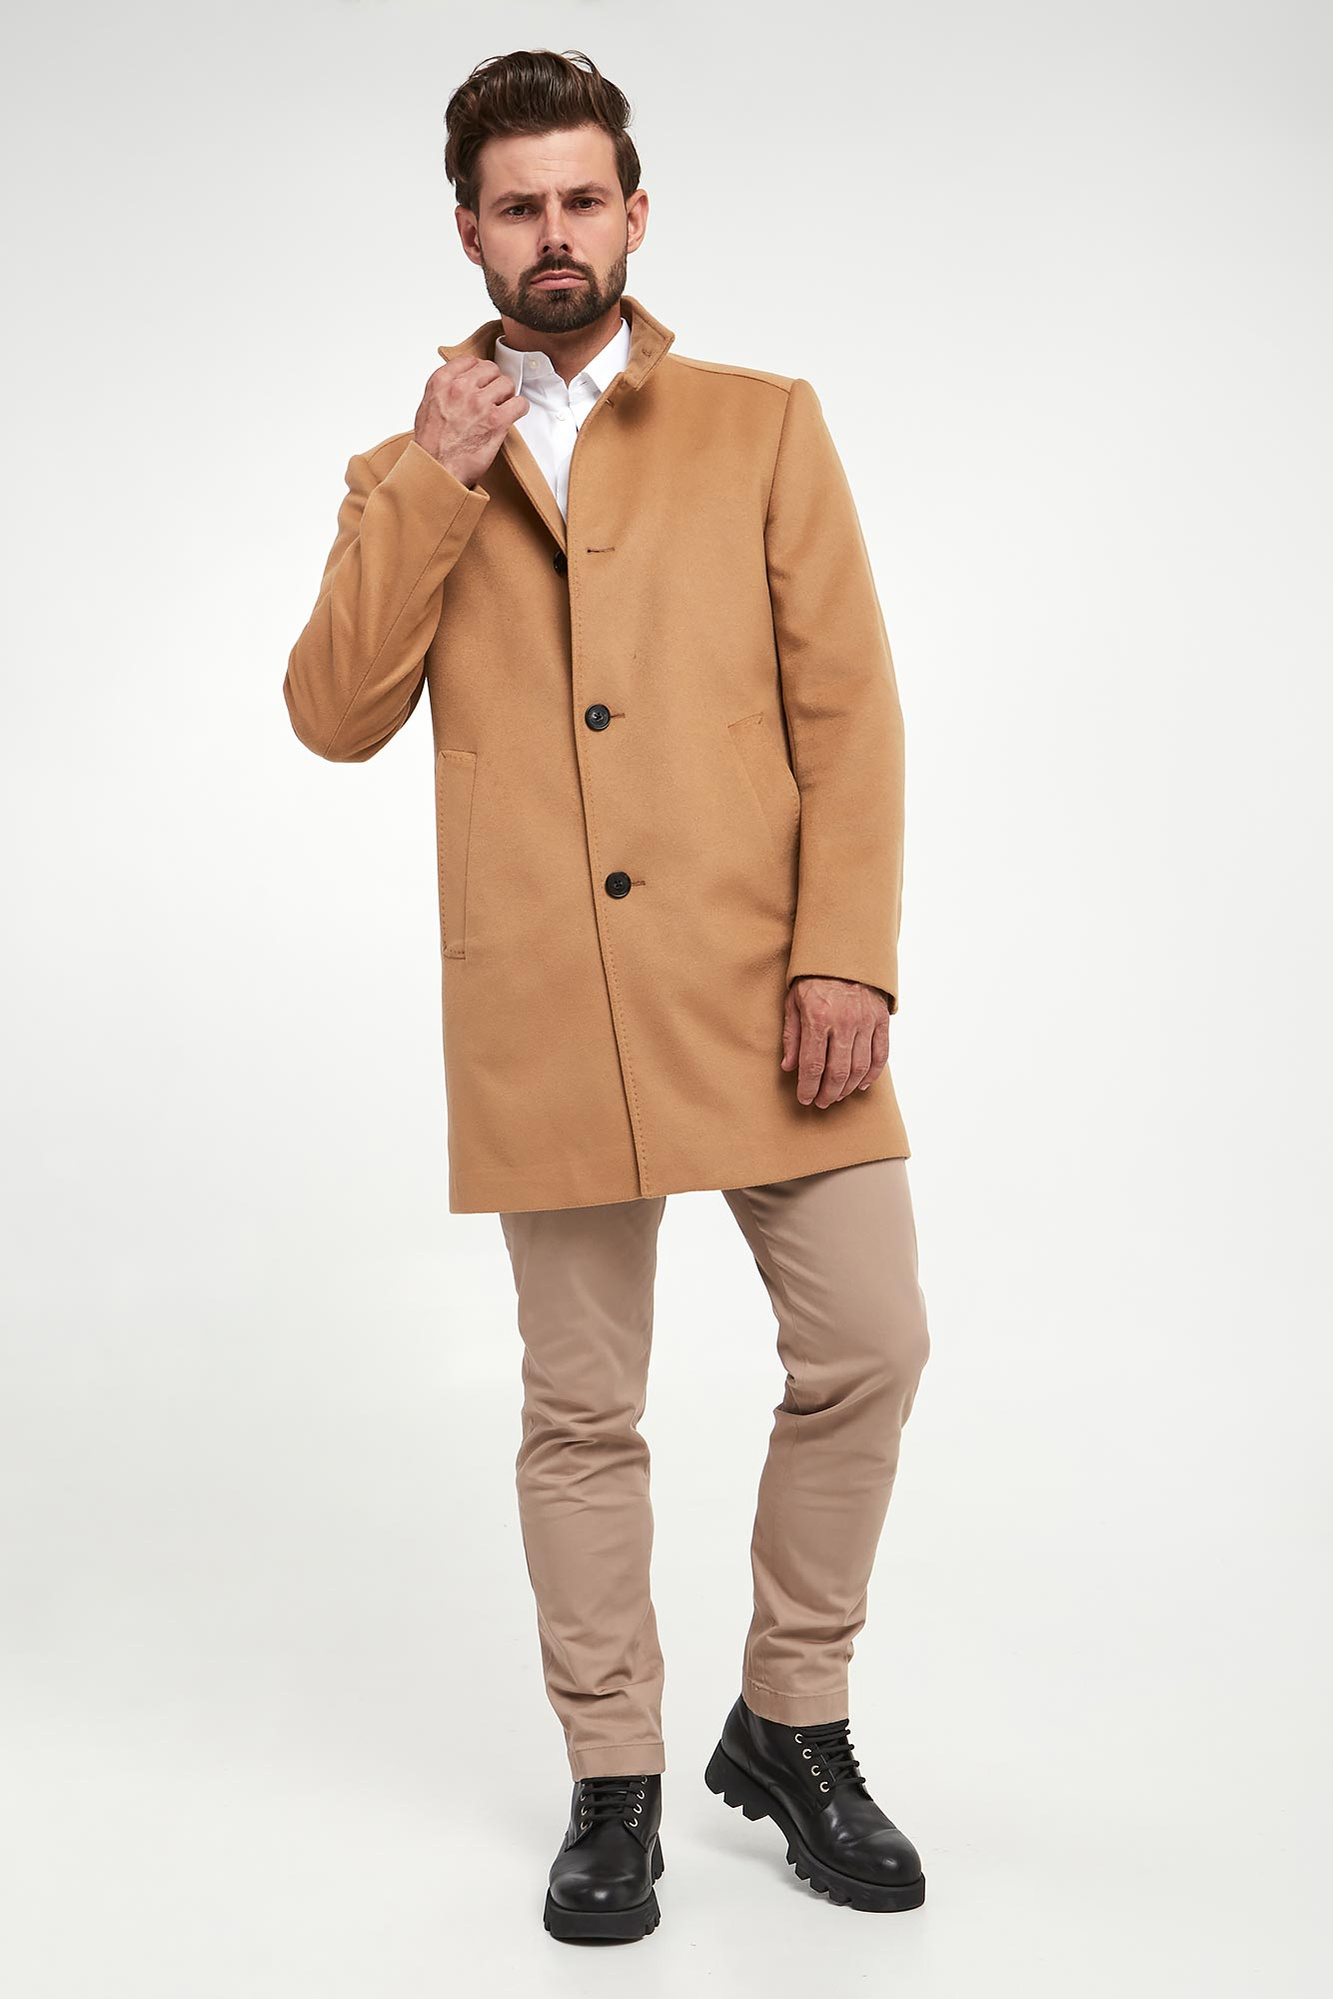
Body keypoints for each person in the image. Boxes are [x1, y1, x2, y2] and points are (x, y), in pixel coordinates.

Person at [284, 45, 932, 1944]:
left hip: (764, 984)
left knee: (871, 1344)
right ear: (469, 231)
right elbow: (332, 715)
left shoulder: (761, 424)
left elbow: (849, 709)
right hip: (547, 1005)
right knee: (581, 1411)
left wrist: (844, 952)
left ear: (633, 213)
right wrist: (432, 475)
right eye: (518, 206)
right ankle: (613, 1779)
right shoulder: (405, 468)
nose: (552, 233)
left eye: (581, 199)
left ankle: (792, 1724)